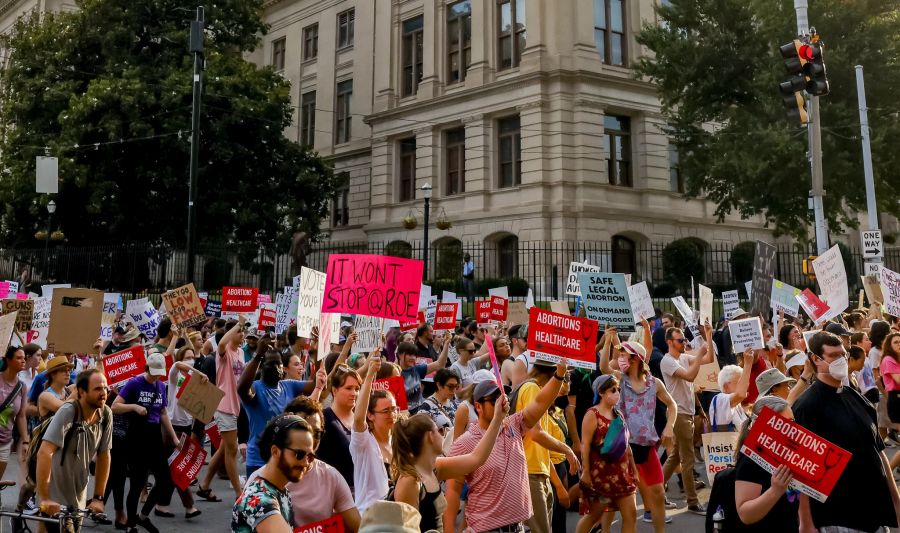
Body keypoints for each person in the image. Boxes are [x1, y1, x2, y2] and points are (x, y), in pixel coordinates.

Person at [444, 361, 569, 533]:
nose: (500, 402)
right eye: (493, 399)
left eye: (502, 396)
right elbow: (452, 493)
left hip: (518, 528)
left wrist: (559, 375)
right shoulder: (464, 443)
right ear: (478, 407)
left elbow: (540, 402)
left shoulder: (514, 425)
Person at [794, 331, 900, 532]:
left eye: (842, 354)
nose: (841, 360)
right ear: (815, 359)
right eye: (833, 356)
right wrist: (806, 522)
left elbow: (878, 451)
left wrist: (896, 501)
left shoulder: (856, 397)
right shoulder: (807, 406)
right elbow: (802, 469)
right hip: (838, 518)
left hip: (874, 514)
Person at [598, 328, 676, 532]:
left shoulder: (654, 383)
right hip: (622, 447)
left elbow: (672, 405)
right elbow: (604, 366)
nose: (620, 358)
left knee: (658, 492)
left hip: (646, 447)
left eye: (624, 355)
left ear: (636, 359)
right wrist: (607, 341)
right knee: (615, 500)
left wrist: (669, 425)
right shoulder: (619, 381)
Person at [391, 397, 507, 533]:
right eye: (439, 430)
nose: (443, 434)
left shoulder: (434, 467)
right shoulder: (409, 481)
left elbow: (476, 459)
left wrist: (497, 419)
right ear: (430, 436)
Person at [111, 351, 181, 533]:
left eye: (159, 372)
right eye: (154, 372)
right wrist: (134, 406)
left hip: (155, 436)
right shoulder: (134, 383)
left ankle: (143, 517)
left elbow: (164, 412)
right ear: (147, 368)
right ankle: (131, 523)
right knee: (137, 483)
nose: (157, 375)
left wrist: (173, 437)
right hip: (136, 437)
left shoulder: (160, 386)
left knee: (165, 480)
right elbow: (115, 406)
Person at [36, 369, 111, 533]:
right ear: (82, 392)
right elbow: (44, 452)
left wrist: (98, 497)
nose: (103, 393)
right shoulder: (68, 411)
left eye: (105, 388)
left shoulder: (106, 414)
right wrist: (45, 498)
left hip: (79, 495)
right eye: (98, 389)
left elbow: (104, 455)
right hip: (54, 494)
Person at [515, 360, 580, 533]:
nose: (566, 383)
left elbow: (538, 446)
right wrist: (567, 449)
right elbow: (535, 434)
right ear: (552, 375)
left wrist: (556, 484)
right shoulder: (531, 388)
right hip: (529, 472)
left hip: (540, 470)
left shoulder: (539, 393)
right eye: (564, 377)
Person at [282, 396, 361, 532]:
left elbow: (360, 528)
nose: (310, 438)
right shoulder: (264, 483)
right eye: (302, 429)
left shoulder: (331, 477)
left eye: (317, 433)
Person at [659, 323, 714, 514]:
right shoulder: (667, 361)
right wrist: (698, 355)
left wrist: (708, 335)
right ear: (670, 342)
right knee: (688, 458)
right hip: (679, 414)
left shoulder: (683, 357)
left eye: (684, 339)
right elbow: (690, 377)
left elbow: (709, 359)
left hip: (687, 412)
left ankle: (656, 490)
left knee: (674, 457)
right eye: (680, 340)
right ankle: (692, 501)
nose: (684, 342)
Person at [238, 340, 313, 475]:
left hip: (284, 458)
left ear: (282, 368)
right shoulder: (255, 387)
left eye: (277, 363)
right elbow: (242, 389)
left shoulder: (289, 386)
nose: (274, 367)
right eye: (269, 363)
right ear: (261, 367)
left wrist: (317, 350)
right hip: (259, 460)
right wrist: (258, 355)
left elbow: (316, 385)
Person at [232, 415, 315, 533]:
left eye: (310, 456)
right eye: (299, 454)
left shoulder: (280, 490)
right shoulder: (258, 500)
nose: (306, 463)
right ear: (275, 451)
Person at [577, 375, 638, 533]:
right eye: (613, 390)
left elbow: (626, 446)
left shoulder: (619, 415)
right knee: (593, 517)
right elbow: (586, 446)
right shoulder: (592, 414)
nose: (617, 393)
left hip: (623, 475)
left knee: (631, 515)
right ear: (601, 392)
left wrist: (634, 470)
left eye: (618, 389)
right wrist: (585, 472)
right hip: (601, 477)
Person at [733, 395, 799, 531]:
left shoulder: (788, 454)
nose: (792, 428)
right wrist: (775, 491)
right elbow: (745, 514)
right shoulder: (750, 459)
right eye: (783, 423)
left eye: (792, 421)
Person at [198, 318, 245, 501]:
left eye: (243, 331)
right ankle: (238, 494)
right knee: (232, 450)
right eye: (239, 332)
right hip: (225, 405)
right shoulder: (222, 352)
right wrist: (235, 326)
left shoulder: (241, 352)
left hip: (237, 406)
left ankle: (205, 485)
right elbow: (223, 342)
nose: (242, 335)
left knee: (224, 448)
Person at [351, 353, 396, 514]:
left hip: (395, 519)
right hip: (370, 520)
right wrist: (369, 375)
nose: (391, 415)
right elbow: (357, 420)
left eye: (393, 410)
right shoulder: (363, 443)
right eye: (385, 411)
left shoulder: (397, 442)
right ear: (370, 415)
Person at [317, 364, 361, 490]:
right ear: (335, 390)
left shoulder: (361, 421)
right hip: (333, 493)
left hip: (361, 493)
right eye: (348, 388)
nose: (354, 393)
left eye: (357, 389)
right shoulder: (324, 419)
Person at [397, 340, 449, 414]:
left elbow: (439, 364)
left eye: (414, 355)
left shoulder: (417, 369)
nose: (413, 358)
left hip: (421, 412)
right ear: (400, 355)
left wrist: (446, 344)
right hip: (405, 416)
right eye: (410, 355)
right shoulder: (393, 373)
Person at [417, 368, 461, 455]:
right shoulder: (426, 408)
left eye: (456, 387)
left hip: (456, 451)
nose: (454, 390)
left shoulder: (454, 403)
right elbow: (423, 438)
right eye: (450, 387)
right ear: (439, 385)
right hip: (439, 456)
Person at [709, 349, 754, 431]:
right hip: (725, 443)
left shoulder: (737, 405)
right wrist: (748, 364)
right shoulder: (720, 399)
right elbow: (741, 394)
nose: (746, 385)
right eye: (739, 382)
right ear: (726, 386)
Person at [0, 346, 27, 480]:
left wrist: (26, 441)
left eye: (24, 358)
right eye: (19, 358)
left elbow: (21, 415)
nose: (23, 361)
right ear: (8, 360)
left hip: (4, 443)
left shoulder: (22, 387)